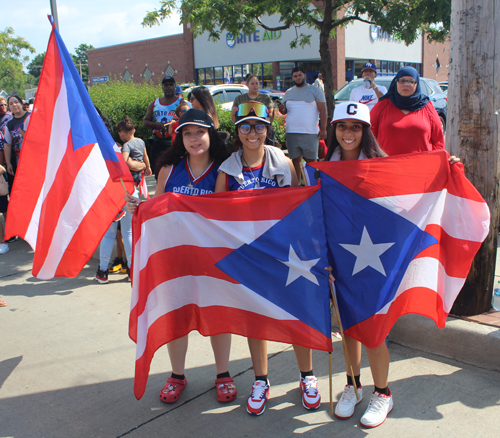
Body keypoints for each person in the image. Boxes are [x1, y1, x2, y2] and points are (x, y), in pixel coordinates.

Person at [215, 101, 321, 416]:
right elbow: (216, 217)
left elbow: (302, 207)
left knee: (298, 314)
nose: (252, 133)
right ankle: (261, 379)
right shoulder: (227, 170)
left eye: (259, 126)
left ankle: (307, 376)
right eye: (245, 126)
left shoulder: (286, 163)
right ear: (237, 130)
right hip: (250, 257)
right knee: (255, 318)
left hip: (286, 253)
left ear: (267, 129)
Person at [126, 109, 235, 405]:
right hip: (175, 258)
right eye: (187, 133)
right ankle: (177, 375)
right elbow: (158, 210)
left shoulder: (223, 169)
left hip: (211, 258)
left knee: (218, 315)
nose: (194, 139)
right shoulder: (169, 169)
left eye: (199, 132)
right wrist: (140, 207)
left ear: (210, 134)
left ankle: (223, 373)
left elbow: (224, 216)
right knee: (176, 316)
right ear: (180, 138)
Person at [370, 66, 444, 156]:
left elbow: (438, 141)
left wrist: (437, 162)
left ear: (417, 84)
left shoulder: (426, 106)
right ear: (396, 82)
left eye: (411, 81)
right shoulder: (383, 105)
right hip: (388, 166)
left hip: (421, 167)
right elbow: (369, 136)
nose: (406, 84)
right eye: (402, 80)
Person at [277, 67, 327, 181]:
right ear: (292, 78)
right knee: (295, 161)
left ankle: (314, 184)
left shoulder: (315, 90)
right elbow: (285, 111)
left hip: (309, 133)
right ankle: (297, 185)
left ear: (304, 75)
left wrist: (323, 129)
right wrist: (281, 109)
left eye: (299, 75)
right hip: (291, 133)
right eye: (295, 76)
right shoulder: (289, 92)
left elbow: (323, 110)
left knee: (312, 162)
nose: (298, 78)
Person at [143, 76, 184, 177]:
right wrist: (156, 125)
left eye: (171, 84)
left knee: (175, 172)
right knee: (159, 172)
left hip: (175, 143)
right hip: (158, 143)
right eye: (166, 85)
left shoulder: (181, 102)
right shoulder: (154, 103)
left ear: (175, 87)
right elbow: (145, 122)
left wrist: (174, 124)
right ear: (162, 87)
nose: (168, 87)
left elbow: (186, 120)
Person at [3, 95, 30, 177]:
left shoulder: (32, 117)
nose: (14, 105)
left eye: (16, 102)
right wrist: (8, 163)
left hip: (35, 156)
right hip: (20, 159)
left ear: (21, 103)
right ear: (9, 107)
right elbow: (7, 144)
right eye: (11, 104)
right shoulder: (9, 124)